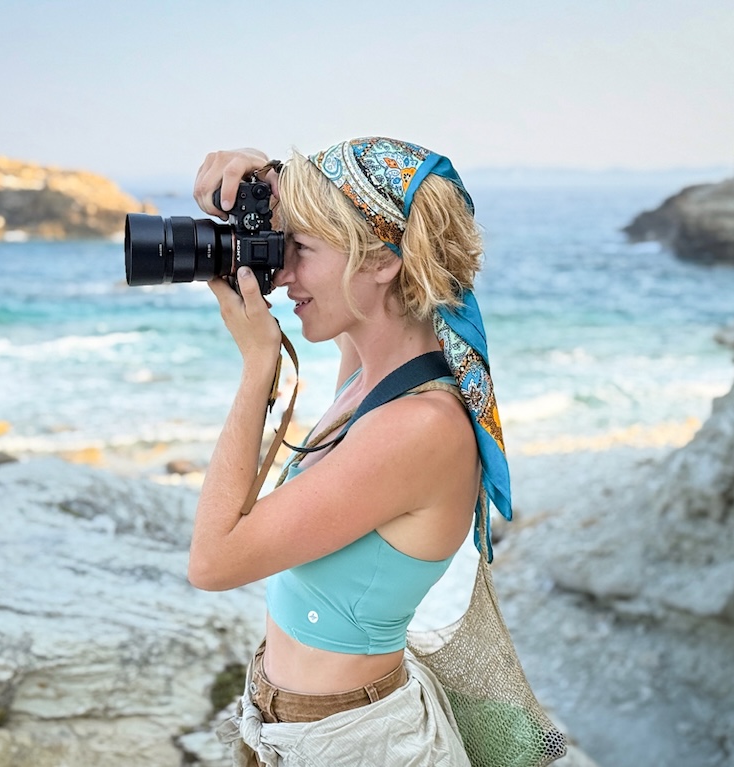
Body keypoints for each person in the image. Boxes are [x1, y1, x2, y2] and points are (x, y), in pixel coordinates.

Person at [188, 137, 512, 766]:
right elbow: (344, 250)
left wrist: (259, 365)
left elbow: (212, 562)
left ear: (382, 261)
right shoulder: (374, 376)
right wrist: (266, 187)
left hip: (354, 744)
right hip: (295, 725)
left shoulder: (420, 427)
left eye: (300, 251)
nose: (280, 273)